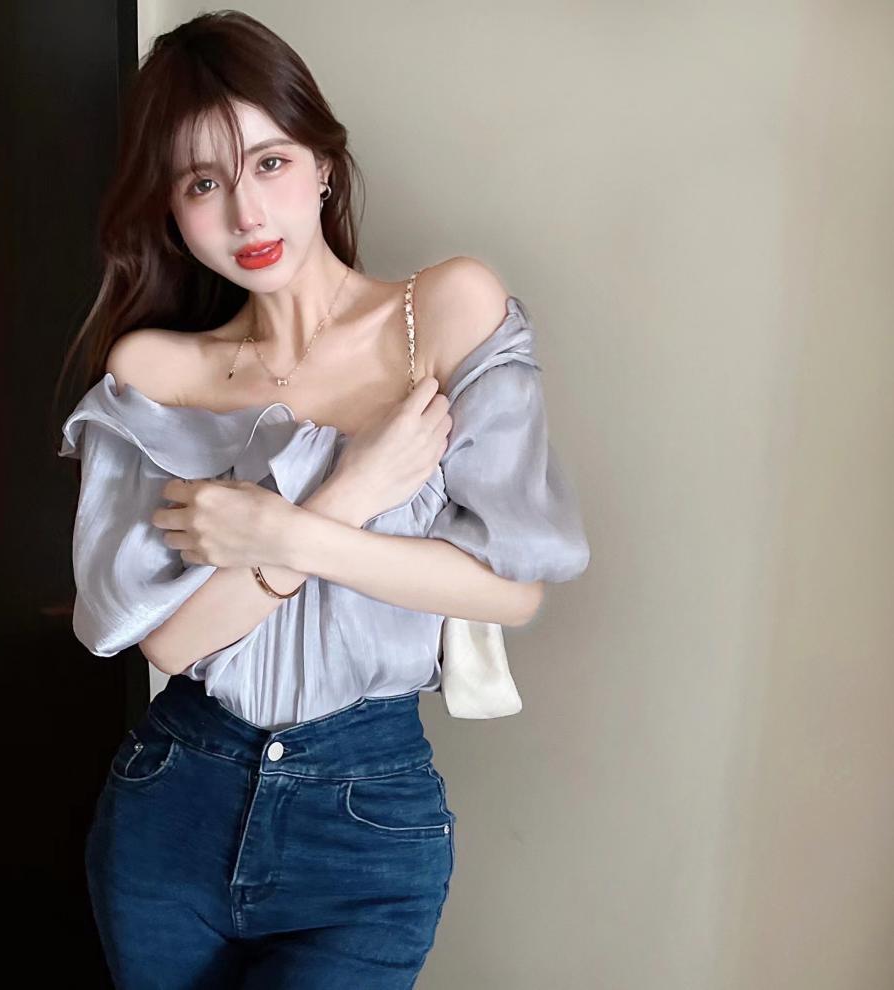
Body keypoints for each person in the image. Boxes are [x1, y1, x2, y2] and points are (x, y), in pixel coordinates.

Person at [54, 10, 590, 989]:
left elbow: (511, 588)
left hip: (366, 819)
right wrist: (350, 496)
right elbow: (168, 644)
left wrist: (275, 536)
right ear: (171, 208)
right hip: (173, 800)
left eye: (269, 163)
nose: (248, 215)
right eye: (203, 183)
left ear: (324, 167)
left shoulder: (446, 312)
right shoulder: (157, 370)